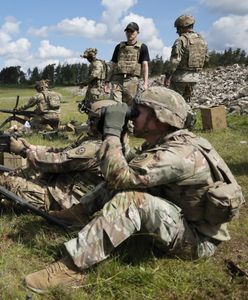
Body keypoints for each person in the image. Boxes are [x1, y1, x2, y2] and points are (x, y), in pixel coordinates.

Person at [24, 86, 244, 293]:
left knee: (131, 199)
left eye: (137, 112)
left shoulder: (179, 154)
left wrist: (111, 133)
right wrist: (117, 137)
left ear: (160, 117)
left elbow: (119, 176)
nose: (132, 115)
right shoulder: (168, 141)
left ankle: (73, 268)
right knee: (123, 181)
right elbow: (132, 162)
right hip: (181, 218)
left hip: (196, 241)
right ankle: (77, 215)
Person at [0, 100, 117, 214]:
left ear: (105, 122)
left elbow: (59, 162)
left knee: (4, 181)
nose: (89, 123)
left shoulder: (96, 148)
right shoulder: (101, 142)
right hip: (58, 187)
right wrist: (32, 147)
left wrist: (23, 151)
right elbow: (62, 152)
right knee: (17, 173)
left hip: (57, 199)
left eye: (92, 119)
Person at [164, 15, 209, 103]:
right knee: (187, 103)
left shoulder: (181, 40)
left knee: (175, 103)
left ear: (184, 27)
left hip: (179, 78)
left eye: (178, 28)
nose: (177, 31)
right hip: (194, 78)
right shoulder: (202, 41)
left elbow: (174, 61)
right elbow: (206, 59)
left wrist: (168, 76)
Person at [105, 22, 150, 105]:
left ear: (137, 33)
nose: (129, 34)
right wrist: (107, 81)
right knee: (115, 106)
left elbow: (145, 66)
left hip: (132, 81)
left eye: (132, 31)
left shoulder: (143, 47)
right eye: (127, 31)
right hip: (117, 80)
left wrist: (146, 83)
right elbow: (113, 65)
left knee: (130, 107)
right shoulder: (119, 47)